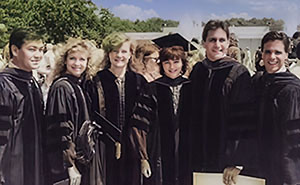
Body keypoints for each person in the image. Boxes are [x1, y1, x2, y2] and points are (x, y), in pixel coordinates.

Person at [188, 20, 255, 185]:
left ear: (228, 42)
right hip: (197, 154)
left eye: (222, 40)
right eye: (212, 40)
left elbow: (244, 121)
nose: (217, 45)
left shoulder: (238, 73)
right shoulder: (198, 70)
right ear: (204, 43)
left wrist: (237, 160)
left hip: (225, 157)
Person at [89, 32, 151, 185]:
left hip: (133, 147)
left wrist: (144, 154)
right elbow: (91, 115)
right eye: (115, 51)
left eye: (124, 51)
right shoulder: (97, 80)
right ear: (108, 54)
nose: (119, 55)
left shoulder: (139, 82)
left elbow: (145, 121)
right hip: (104, 146)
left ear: (130, 54)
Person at [45, 37, 101, 185]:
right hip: (66, 166)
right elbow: (60, 130)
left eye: (82, 59)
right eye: (72, 59)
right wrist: (69, 165)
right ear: (65, 61)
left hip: (78, 160)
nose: (77, 63)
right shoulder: (62, 87)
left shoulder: (78, 85)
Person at [252, 31, 300, 185]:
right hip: (256, 167)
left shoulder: (291, 89)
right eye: (268, 52)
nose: (272, 57)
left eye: (278, 52)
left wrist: (290, 179)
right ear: (262, 54)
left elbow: (292, 140)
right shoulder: (257, 81)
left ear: (286, 55)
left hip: (280, 171)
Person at [0, 28, 45, 185]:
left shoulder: (32, 83)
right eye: (31, 49)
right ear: (15, 50)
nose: (38, 55)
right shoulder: (4, 85)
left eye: (41, 49)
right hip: (11, 171)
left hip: (34, 167)